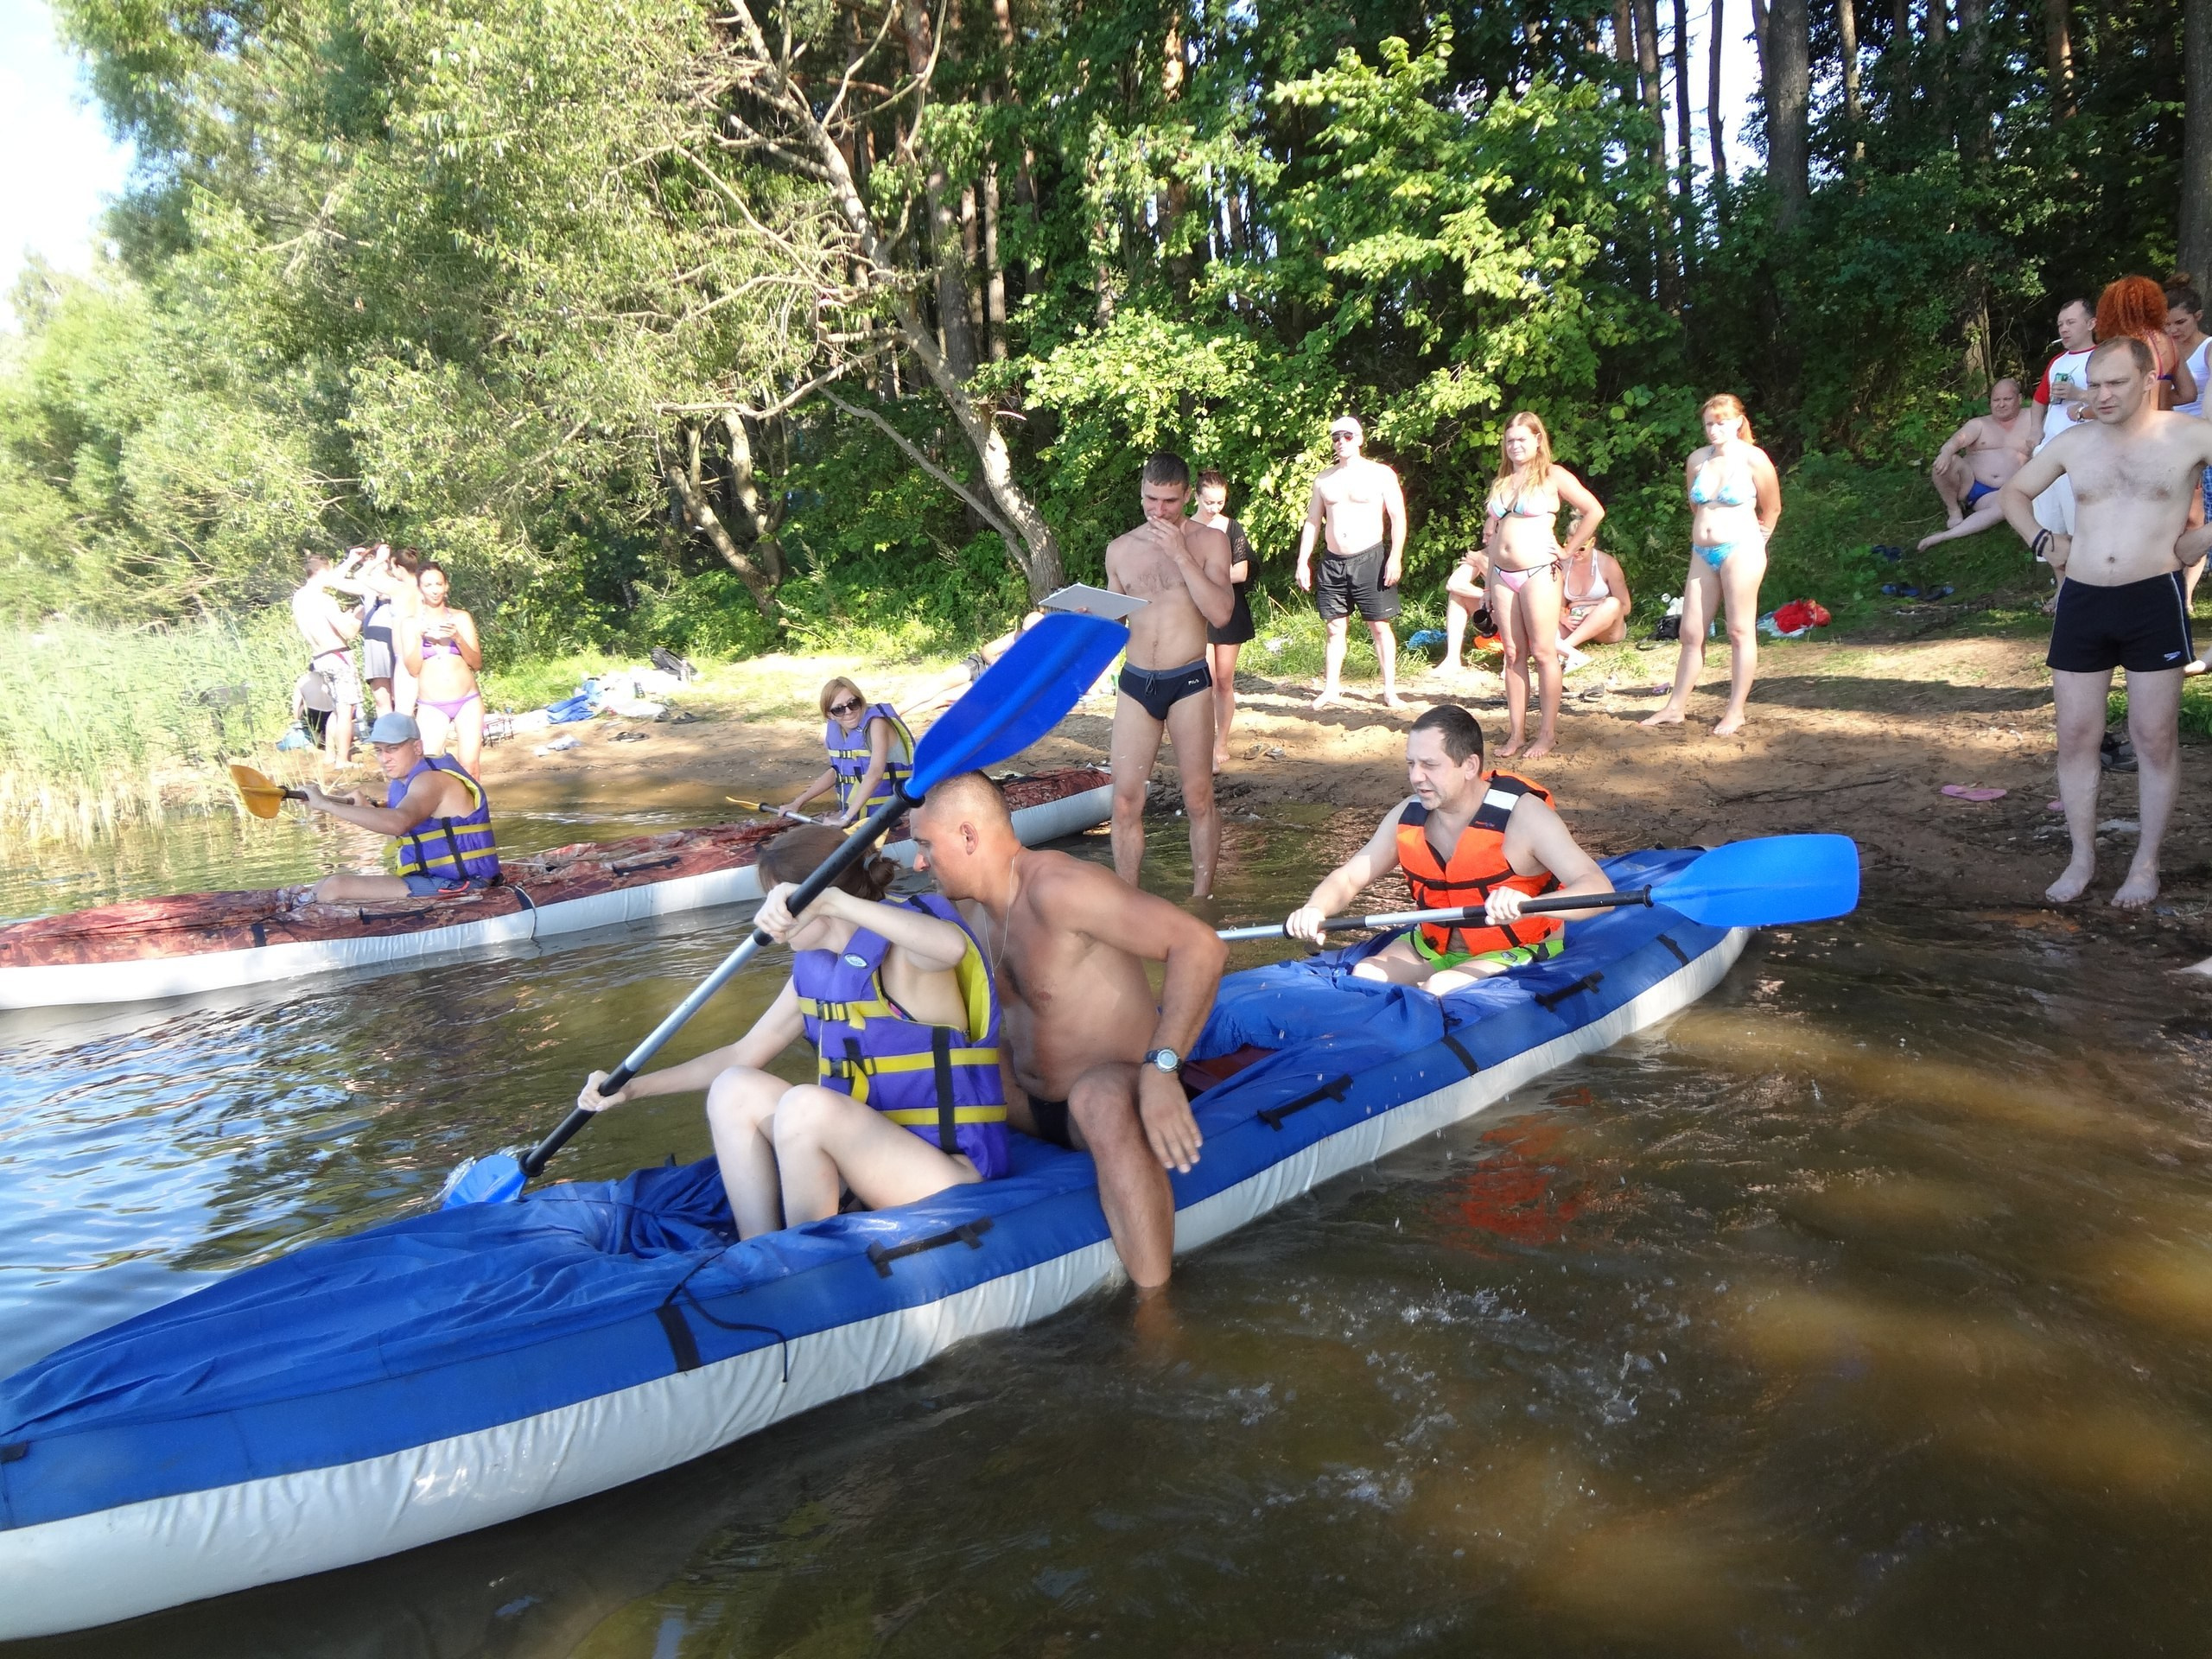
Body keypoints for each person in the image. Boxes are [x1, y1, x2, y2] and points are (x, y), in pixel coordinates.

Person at [575, 825, 1009, 1235]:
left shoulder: (911, 952)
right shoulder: (818, 967)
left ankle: (804, 1254)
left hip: (944, 1171)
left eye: (777, 900)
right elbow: (740, 1056)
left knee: (806, 1106)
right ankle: (759, 1248)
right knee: (734, 1087)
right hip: (863, 1158)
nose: (767, 915)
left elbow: (950, 947)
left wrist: (831, 901)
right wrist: (631, 1090)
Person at [906, 771, 1227, 1288]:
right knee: (942, 1055)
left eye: (925, 845)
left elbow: (1202, 947)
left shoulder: (1061, 888)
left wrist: (1162, 1071)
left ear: (968, 836)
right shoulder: (967, 907)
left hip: (1112, 1097)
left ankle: (1158, 1310)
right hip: (1030, 1102)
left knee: (1097, 1096)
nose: (918, 862)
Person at [1998, 336, 2212, 907]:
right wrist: (2043, 540)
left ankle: (2145, 864)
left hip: (2153, 598)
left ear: (2150, 379)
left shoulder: (2189, 436)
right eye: (2094, 384)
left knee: (2153, 737)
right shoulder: (2075, 441)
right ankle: (2082, 858)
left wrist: (2203, 538)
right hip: (2084, 601)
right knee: (2076, 736)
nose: (2102, 394)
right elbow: (2014, 493)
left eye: (2115, 382)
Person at [1285, 704, 1614, 994]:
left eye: (1429, 765)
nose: (1416, 777)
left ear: (1469, 766)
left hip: (1515, 947)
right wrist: (1316, 909)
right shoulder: (1408, 814)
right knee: (1366, 975)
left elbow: (1597, 889)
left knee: (1441, 989)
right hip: (1432, 945)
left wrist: (1531, 904)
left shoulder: (1525, 817)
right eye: (1411, 763)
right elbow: (1349, 878)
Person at [1103, 451, 1236, 899]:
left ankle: (1203, 900)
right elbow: (1113, 622)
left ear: (1187, 496)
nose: (1159, 511)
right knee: (1124, 800)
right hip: (1137, 681)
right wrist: (1086, 617)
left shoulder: (1209, 542)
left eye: (1170, 502)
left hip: (1188, 680)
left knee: (1197, 797)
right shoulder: (1120, 549)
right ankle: (1128, 902)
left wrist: (1180, 555)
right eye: (1150, 500)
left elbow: (1221, 612)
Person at [1640, 394, 1783, 738]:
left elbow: (1773, 508)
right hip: (1703, 552)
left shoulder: (1754, 459)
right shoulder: (1697, 460)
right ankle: (1675, 706)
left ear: (1737, 422)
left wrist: (1756, 541)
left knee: (1739, 630)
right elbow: (1695, 504)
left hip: (1742, 549)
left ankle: (1735, 710)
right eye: (1708, 423)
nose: (1714, 429)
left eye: (1721, 422)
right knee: (1690, 631)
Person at [1479, 412, 1606, 760]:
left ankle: (1547, 734)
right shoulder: (1503, 481)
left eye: (1522, 439)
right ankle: (1517, 733)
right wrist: (1489, 585)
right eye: (1509, 440)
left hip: (1538, 571)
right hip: (1502, 574)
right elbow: (1492, 538)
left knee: (1544, 651)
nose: (1515, 446)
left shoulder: (1553, 475)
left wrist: (1568, 549)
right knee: (1511, 653)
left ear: (1538, 440)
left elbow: (1593, 510)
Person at [283, 712, 500, 906]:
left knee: (335, 886)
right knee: (323, 884)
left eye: (392, 749)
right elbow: (400, 837)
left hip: (462, 884)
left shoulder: (432, 780)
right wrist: (367, 808)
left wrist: (325, 804)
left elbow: (399, 822)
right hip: (429, 878)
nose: (384, 758)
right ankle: (302, 907)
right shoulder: (402, 783)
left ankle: (303, 919)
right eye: (378, 750)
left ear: (417, 747)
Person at [1295, 416, 1409, 711]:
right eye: (1335, 437)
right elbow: (1312, 522)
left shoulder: (1381, 474)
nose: (1341, 442)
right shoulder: (1324, 479)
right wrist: (1302, 561)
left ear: (1360, 438)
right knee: (1334, 628)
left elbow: (1398, 517)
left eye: (1347, 436)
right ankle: (1331, 688)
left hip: (1370, 557)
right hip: (1333, 562)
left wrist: (1395, 556)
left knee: (1379, 626)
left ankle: (1389, 690)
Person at [1918, 380, 2038, 551]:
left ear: (2019, 398)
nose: (2001, 404)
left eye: (2007, 399)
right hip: (1973, 484)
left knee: (2004, 508)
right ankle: (1953, 509)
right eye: (1996, 400)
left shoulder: (2033, 419)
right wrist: (1945, 453)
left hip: (2010, 489)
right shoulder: (1979, 424)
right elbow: (1955, 441)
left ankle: (1945, 536)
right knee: (1945, 462)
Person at [1193, 469, 1258, 770]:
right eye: (1209, 502)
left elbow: (1241, 572)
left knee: (1223, 680)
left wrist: (1203, 577)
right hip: (1197, 612)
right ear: (1195, 497)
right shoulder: (1185, 529)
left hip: (1230, 608)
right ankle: (1204, 744)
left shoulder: (1232, 527)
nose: (1214, 508)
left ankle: (1222, 742)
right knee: (1202, 681)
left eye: (1219, 503)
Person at [2029, 297, 2100, 571]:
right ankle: (2061, 589)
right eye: (2060, 324)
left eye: (2071, 322)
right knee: (2051, 526)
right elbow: (2039, 401)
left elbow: (2116, 403)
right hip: (2048, 453)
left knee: (2079, 526)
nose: (2064, 329)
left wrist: (2078, 395)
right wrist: (2035, 431)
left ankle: (2085, 582)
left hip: (2083, 456)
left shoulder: (2102, 358)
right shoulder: (2057, 361)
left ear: (2091, 323)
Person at [789, 677, 916, 825]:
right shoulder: (838, 731)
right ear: (829, 714)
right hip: (858, 815)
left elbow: (875, 773)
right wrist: (798, 802)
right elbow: (836, 772)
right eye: (839, 709)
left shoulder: (877, 723)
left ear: (860, 701)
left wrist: (845, 818)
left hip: (893, 814)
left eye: (852, 704)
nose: (848, 712)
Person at [404, 562, 485, 778]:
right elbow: (413, 669)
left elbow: (476, 663)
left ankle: (474, 811)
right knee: (428, 766)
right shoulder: (410, 624)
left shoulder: (461, 618)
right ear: (420, 589)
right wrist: (419, 639)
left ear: (446, 586)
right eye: (428, 585)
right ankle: (440, 810)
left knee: (470, 766)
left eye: (439, 584)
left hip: (467, 701)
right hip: (431, 705)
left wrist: (457, 637)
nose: (434, 589)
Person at [289, 549, 366, 770]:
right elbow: (348, 632)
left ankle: (330, 755)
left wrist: (350, 560)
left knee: (335, 707)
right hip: (337, 654)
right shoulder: (323, 599)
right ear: (323, 572)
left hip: (319, 657)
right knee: (346, 709)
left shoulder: (299, 597)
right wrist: (357, 616)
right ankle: (343, 759)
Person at [898, 610, 1046, 721]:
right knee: (942, 681)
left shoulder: (1042, 652)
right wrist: (994, 661)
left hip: (991, 683)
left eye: (1030, 632)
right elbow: (986, 650)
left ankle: (898, 716)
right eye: (1025, 630)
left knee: (944, 698)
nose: (1026, 634)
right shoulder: (1016, 635)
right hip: (981, 665)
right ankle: (896, 710)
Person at [2100, 276, 2196, 414]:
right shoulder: (2169, 342)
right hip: (2166, 425)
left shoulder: (2121, 344)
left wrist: (2081, 411)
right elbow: (2188, 394)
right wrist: (2161, 398)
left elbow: (2113, 400)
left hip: (2133, 427)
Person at [359, 545, 423, 718]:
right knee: (423, 705)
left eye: (393, 568)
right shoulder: (423, 587)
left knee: (404, 711)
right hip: (422, 652)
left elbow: (360, 575)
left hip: (404, 657)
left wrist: (379, 559)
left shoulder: (398, 588)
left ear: (399, 568)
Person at [1557, 543, 1632, 665]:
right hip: (1575, 620)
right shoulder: (1563, 566)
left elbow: (1625, 607)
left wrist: (1594, 609)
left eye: (1581, 548)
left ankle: (1563, 648)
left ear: (1592, 542)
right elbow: (1558, 605)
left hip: (1604, 622)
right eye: (1571, 546)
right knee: (1545, 621)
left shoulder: (1608, 564)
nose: (1576, 552)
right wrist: (1564, 617)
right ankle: (1563, 649)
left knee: (1612, 604)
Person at [1439, 544, 1494, 675]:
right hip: (1494, 612)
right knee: (1457, 595)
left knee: (1508, 602)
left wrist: (1481, 562)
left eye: (1489, 535)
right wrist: (1485, 595)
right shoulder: (1481, 554)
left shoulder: (1517, 552)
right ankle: (1452, 659)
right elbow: (1453, 584)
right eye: (1484, 534)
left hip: (1518, 613)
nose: (1485, 540)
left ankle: (1511, 665)